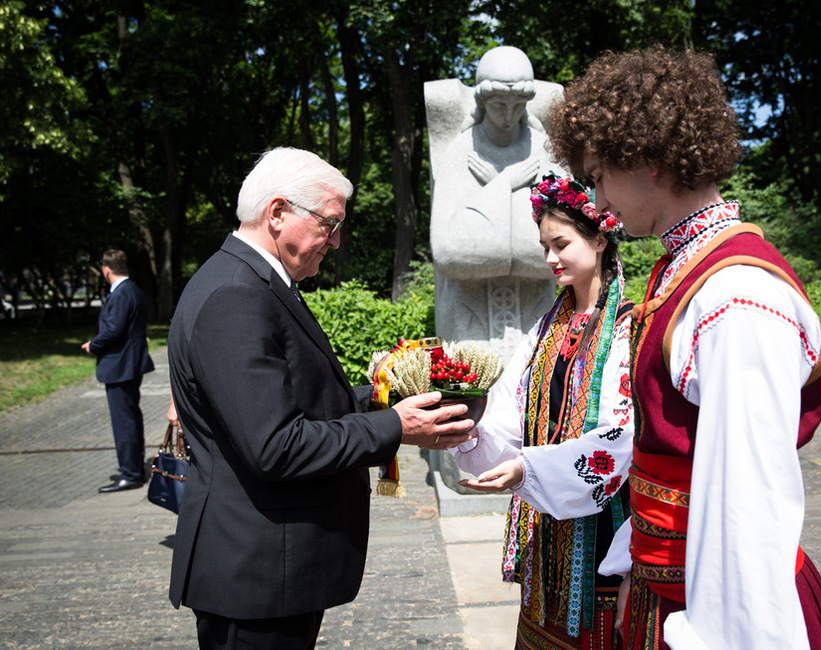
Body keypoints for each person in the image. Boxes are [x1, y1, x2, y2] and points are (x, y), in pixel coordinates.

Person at [545, 46, 821, 649]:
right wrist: (641, 561)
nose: (599, 204)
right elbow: (670, 456)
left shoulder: (734, 294)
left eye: (601, 175)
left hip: (724, 614)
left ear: (650, 160)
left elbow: (748, 502)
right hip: (673, 593)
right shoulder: (686, 271)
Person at [166, 146, 474, 650]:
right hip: (257, 577)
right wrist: (396, 427)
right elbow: (276, 445)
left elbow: (301, 401)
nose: (334, 242)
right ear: (278, 212)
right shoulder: (236, 296)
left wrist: (382, 396)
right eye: (329, 224)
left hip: (271, 571)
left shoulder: (253, 280)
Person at [450, 173, 634, 649]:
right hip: (545, 536)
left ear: (599, 239)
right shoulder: (546, 327)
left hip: (604, 533)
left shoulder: (628, 328)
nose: (550, 258)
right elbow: (511, 404)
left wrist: (528, 468)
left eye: (561, 244)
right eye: (543, 246)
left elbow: (622, 436)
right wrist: (466, 432)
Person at [428, 46, 566, 357]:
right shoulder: (461, 152)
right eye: (498, 105)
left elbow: (567, 243)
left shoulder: (544, 152)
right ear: (482, 102)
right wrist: (508, 184)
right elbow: (450, 251)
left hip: (537, 315)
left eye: (517, 106)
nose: (507, 116)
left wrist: (493, 187)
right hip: (470, 319)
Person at [82, 249, 155, 493]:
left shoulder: (122, 294)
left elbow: (113, 329)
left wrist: (93, 344)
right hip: (129, 364)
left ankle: (131, 472)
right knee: (131, 419)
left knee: (124, 422)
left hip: (120, 366)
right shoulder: (133, 290)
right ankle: (133, 467)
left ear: (106, 269)